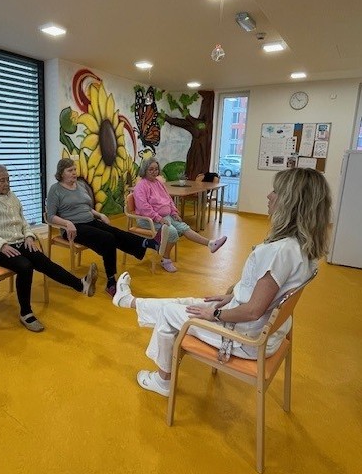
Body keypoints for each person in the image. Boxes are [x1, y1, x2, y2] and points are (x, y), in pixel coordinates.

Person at [112, 168, 331, 397]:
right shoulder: (301, 249)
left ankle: (162, 381)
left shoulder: (279, 252)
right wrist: (231, 297)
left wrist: (215, 314)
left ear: (291, 203)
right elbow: (264, 297)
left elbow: (253, 311)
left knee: (168, 314)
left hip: (242, 337)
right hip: (261, 331)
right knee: (188, 302)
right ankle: (129, 301)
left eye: (275, 191)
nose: (269, 196)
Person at [0, 164, 98, 333]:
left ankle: (81, 285)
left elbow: (23, 222)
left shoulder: (12, 196)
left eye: (8, 179)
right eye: (2, 180)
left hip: (19, 241)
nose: (7, 183)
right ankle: (25, 313)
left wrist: (29, 236)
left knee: (43, 260)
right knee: (25, 266)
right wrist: (1, 245)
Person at [46, 158, 168, 297]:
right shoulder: (55, 189)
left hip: (90, 221)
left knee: (116, 232)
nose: (74, 173)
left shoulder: (79, 185)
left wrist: (100, 214)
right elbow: (50, 216)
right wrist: (67, 223)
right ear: (61, 173)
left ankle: (149, 243)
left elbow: (86, 207)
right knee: (108, 238)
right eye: (70, 170)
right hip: (73, 228)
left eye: (74, 169)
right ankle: (111, 281)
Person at [133, 158, 227, 272]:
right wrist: (158, 218)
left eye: (156, 169)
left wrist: (174, 212)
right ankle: (165, 260)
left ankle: (211, 244)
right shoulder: (141, 186)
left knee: (184, 227)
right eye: (151, 169)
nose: (154, 172)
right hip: (148, 219)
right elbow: (144, 208)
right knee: (172, 232)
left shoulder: (158, 183)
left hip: (164, 217)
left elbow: (168, 199)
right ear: (144, 170)